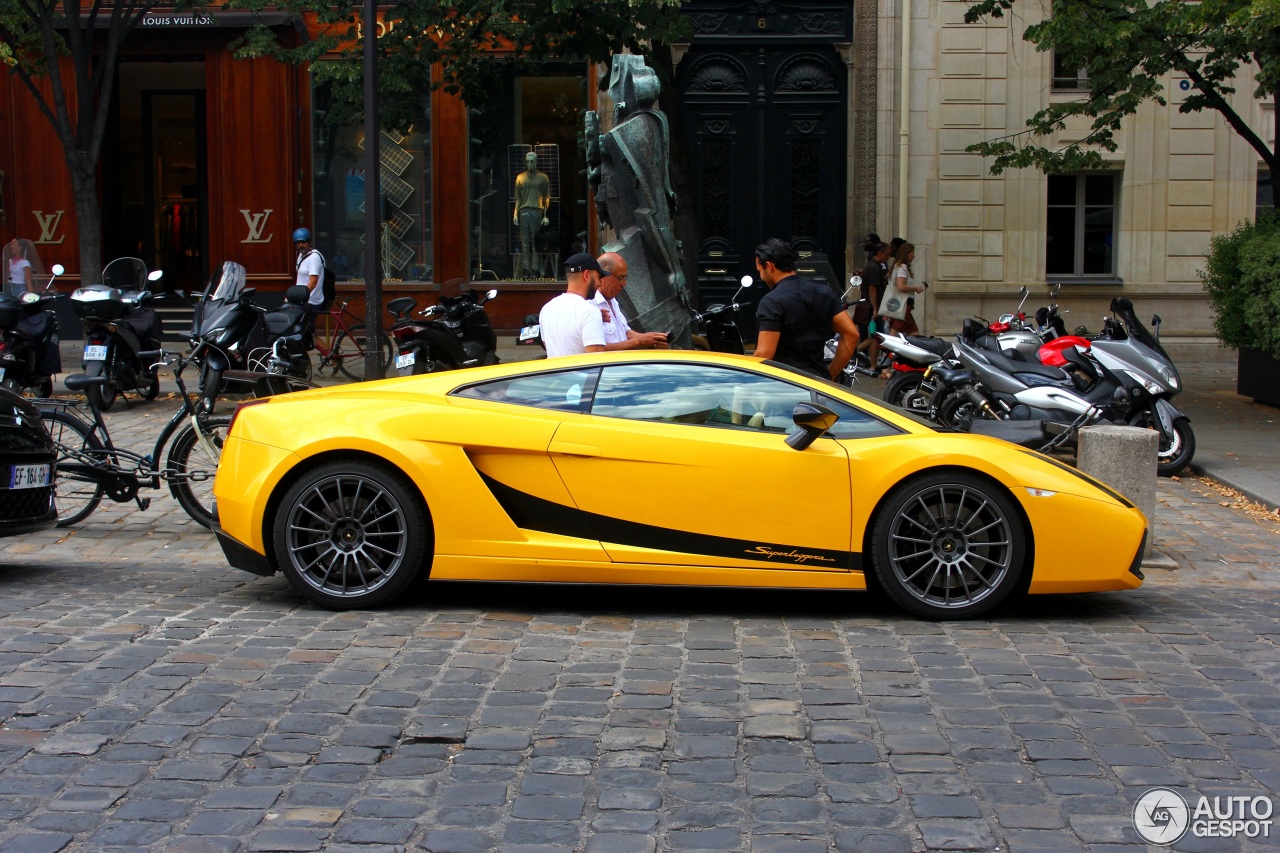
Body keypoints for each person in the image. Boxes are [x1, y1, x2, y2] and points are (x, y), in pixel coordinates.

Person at [752, 237, 859, 380]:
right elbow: (852, 334)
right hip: (817, 384)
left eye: (760, 271)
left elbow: (764, 355)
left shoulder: (771, 302)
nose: (761, 276)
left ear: (769, 266)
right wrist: (830, 375)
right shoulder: (824, 292)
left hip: (785, 385)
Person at [593, 252, 669, 350]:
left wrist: (652, 338)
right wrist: (639, 341)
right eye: (620, 278)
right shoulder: (590, 304)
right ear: (603, 276)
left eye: (625, 278)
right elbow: (596, 349)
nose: (623, 284)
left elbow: (626, 332)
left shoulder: (613, 301)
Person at [539, 253, 607, 358]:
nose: (600, 284)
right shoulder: (590, 312)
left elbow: (549, 347)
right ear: (586, 275)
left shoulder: (547, 308)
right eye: (599, 277)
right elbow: (596, 361)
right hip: (580, 374)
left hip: (554, 374)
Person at [857, 237, 893, 377]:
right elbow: (872, 289)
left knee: (875, 337)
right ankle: (853, 354)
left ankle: (873, 365)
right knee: (876, 337)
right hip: (872, 307)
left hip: (873, 306)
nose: (889, 257)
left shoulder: (874, 267)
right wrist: (876, 308)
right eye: (887, 254)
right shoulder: (873, 267)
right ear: (880, 254)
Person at [513, 151, 551, 278]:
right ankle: (525, 269)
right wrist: (515, 214)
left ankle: (535, 269)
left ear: (536, 162)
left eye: (532, 161)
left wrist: (545, 215)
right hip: (524, 210)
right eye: (527, 161)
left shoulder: (543, 177)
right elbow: (517, 198)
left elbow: (546, 198)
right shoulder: (520, 177)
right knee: (524, 241)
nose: (529, 164)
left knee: (535, 241)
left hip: (537, 210)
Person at [886, 242, 926, 337]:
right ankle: (888, 351)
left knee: (913, 332)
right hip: (902, 304)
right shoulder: (902, 267)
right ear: (907, 253)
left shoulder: (897, 266)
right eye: (912, 253)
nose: (914, 256)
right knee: (895, 330)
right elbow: (901, 286)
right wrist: (916, 288)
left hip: (900, 304)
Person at [293, 228, 325, 312]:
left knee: (305, 325)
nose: (300, 245)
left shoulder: (313, 257)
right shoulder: (301, 255)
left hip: (310, 302)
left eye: (303, 242)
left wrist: (302, 296)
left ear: (309, 242)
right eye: (298, 243)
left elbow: (313, 281)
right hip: (302, 300)